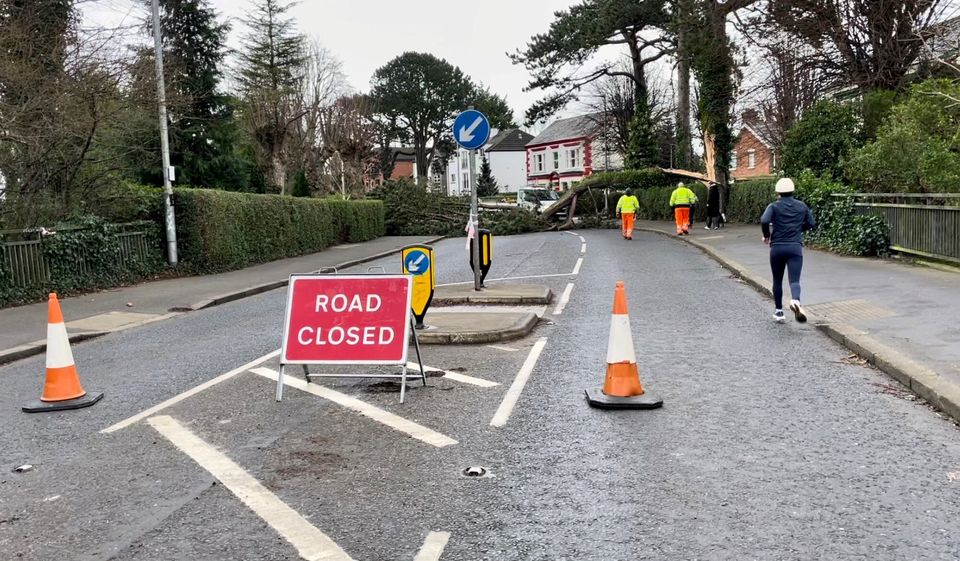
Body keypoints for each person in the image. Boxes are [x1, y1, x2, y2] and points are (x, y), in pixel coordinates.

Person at [761, 177, 816, 323]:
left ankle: (779, 312)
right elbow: (811, 223)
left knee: (777, 280)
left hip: (777, 247)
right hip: (795, 247)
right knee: (794, 280)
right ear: (792, 190)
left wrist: (767, 235)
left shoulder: (773, 206)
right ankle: (796, 301)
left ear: (778, 192)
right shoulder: (801, 206)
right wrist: (798, 229)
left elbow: (764, 220)